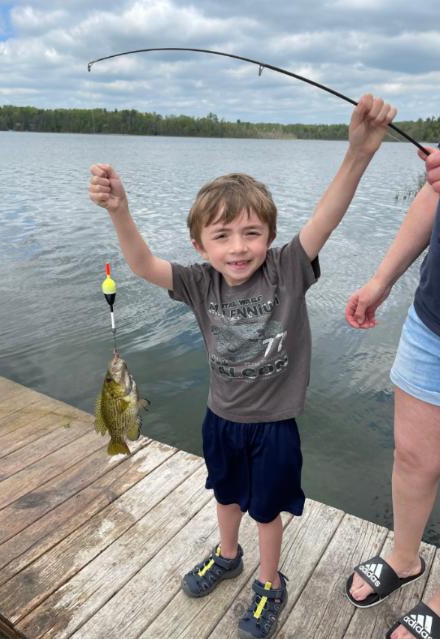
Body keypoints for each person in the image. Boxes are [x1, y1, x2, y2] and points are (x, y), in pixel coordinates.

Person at [89, 94, 396, 639]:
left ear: (270, 238)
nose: (238, 248)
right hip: (221, 419)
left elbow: (326, 217)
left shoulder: (288, 269)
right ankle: (228, 556)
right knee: (226, 495)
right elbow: (140, 263)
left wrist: (358, 154)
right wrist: (120, 210)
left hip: (274, 427)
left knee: (267, 510)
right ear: (200, 245)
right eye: (222, 236)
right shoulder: (197, 282)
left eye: (251, 233)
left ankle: (270, 582)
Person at [345, 145, 440, 639]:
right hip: (433, 319)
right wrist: (381, 280)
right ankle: (405, 558)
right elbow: (434, 194)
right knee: (412, 456)